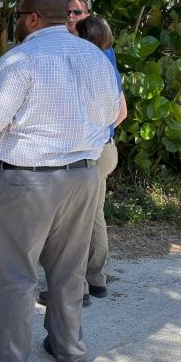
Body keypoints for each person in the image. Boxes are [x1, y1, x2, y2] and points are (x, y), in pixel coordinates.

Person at [0, 0, 120, 362]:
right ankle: (69, 349)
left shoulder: (18, 60)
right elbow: (111, 113)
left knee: (13, 275)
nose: (16, 22)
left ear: (34, 18)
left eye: (19, 15)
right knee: (69, 270)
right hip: (82, 177)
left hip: (26, 181)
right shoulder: (94, 57)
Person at [75, 15, 127, 299]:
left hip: (92, 153)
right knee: (95, 216)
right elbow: (120, 113)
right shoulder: (108, 63)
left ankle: (77, 288)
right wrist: (104, 132)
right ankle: (96, 279)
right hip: (107, 149)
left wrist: (91, 136)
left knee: (77, 220)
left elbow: (120, 113)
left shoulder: (87, 66)